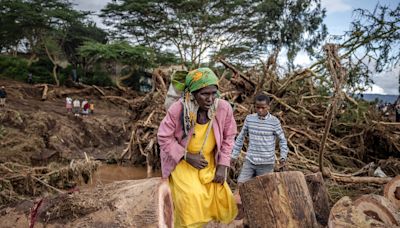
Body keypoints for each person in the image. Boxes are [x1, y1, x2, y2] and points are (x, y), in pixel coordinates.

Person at [158, 68, 238, 227]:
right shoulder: (179, 109)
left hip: (209, 161)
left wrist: (222, 165)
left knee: (223, 198)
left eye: (213, 93)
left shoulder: (223, 108)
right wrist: (186, 156)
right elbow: (163, 136)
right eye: (204, 94)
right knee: (191, 198)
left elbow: (229, 136)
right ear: (192, 94)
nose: (210, 99)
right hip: (183, 163)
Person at [231, 94, 288, 184]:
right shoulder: (249, 119)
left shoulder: (274, 122)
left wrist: (283, 157)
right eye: (257, 107)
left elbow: (282, 140)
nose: (260, 110)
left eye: (263, 108)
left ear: (268, 107)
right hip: (250, 160)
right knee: (241, 184)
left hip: (267, 163)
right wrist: (234, 156)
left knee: (264, 190)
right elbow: (240, 138)